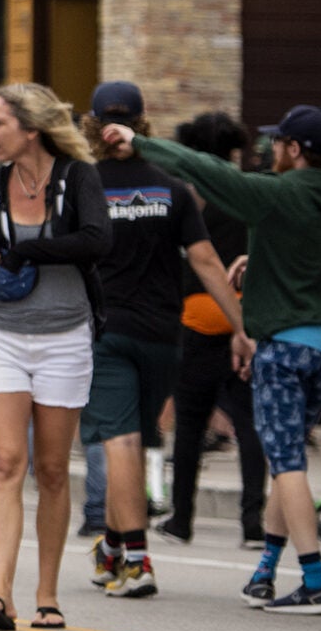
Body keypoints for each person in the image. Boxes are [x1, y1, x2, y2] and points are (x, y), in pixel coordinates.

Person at [113, 104, 321, 613]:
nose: (270, 150)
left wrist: (140, 142)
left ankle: (313, 580)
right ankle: (265, 572)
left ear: (295, 150)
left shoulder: (277, 193)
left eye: (278, 142)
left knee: (287, 463)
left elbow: (206, 169)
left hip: (285, 348)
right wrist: (257, 262)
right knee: (286, 461)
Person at [78, 83, 243, 599]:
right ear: (143, 124)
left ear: (93, 125)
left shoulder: (83, 185)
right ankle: (111, 547)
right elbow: (207, 261)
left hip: (106, 333)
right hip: (164, 338)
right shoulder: (171, 188)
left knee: (120, 441)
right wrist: (242, 328)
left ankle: (136, 559)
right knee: (136, 439)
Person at [0, 84, 110, 631]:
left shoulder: (77, 178)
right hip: (2, 334)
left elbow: (97, 241)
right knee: (6, 463)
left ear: (31, 129)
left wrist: (26, 250)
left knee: (51, 469)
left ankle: (47, 594)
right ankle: (0, 592)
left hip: (64, 337)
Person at [161, 111, 266, 545]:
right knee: (249, 424)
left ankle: (181, 519)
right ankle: (252, 522)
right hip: (244, 318)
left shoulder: (188, 194)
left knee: (189, 425)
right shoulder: (249, 192)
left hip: (196, 317)